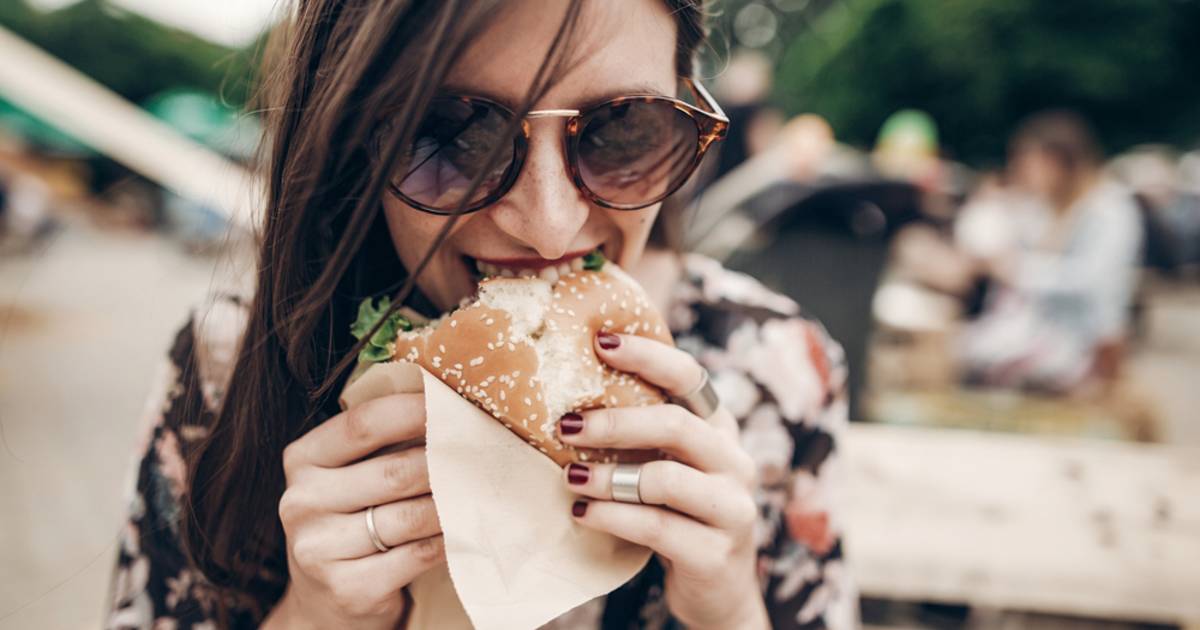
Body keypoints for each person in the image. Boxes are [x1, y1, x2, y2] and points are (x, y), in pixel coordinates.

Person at [105, 1, 855, 628]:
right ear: (351, 139)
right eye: (452, 135)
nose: (549, 227)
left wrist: (731, 610)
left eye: (623, 127)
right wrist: (312, 617)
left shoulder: (781, 369)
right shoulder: (226, 363)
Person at [959, 110, 1144, 391]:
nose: (1021, 173)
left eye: (1028, 164)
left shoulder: (1110, 209)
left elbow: (1092, 282)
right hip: (1044, 333)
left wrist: (1016, 270)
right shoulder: (1048, 207)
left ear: (1058, 162)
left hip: (1085, 344)